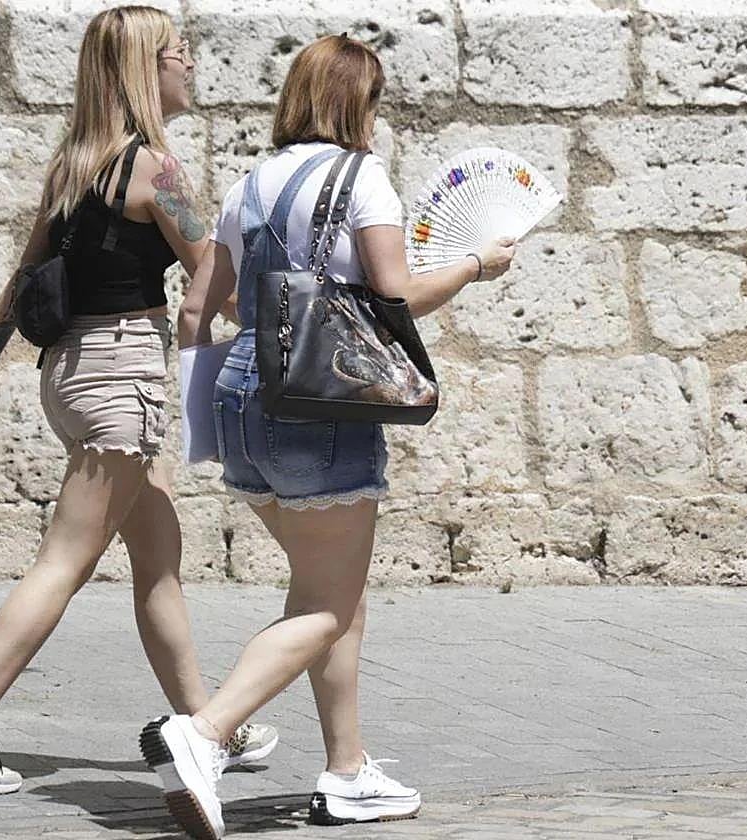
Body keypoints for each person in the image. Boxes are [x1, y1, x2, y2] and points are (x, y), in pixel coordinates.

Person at [143, 34, 516, 837]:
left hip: (243, 397)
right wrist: (477, 265)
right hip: (321, 407)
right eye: (375, 101)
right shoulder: (364, 179)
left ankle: (347, 771)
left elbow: (199, 309)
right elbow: (395, 295)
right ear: (356, 102)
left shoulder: (252, 181)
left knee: (323, 594)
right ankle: (203, 733)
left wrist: (197, 415)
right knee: (330, 601)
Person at [0, 5, 275, 795]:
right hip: (121, 376)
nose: (191, 66)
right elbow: (210, 274)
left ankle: (207, 724)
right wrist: (278, 338)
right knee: (65, 561)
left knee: (158, 557)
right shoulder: (157, 169)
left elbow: (25, 273)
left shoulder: (77, 162)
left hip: (71, 374)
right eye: (180, 54)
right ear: (147, 70)